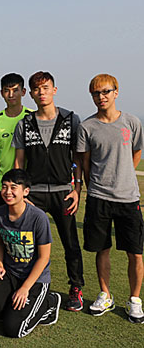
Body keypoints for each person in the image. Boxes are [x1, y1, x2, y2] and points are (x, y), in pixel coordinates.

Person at [13, 71, 85, 312]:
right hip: (33, 195)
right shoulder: (25, 123)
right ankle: (29, 286)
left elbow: (78, 157)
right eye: (36, 89)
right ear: (31, 94)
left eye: (46, 87)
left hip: (64, 192)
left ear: (54, 90)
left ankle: (76, 288)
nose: (41, 92)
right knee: (28, 245)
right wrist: (21, 193)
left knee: (70, 243)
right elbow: (18, 163)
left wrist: (77, 189)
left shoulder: (70, 119)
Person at [77, 74, 144, 323]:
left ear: (116, 92)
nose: (101, 97)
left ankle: (135, 299)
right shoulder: (87, 127)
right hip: (98, 197)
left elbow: (135, 152)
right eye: (96, 93)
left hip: (128, 198)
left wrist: (122, 176)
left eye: (105, 92)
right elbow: (84, 163)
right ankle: (105, 295)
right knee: (101, 249)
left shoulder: (132, 122)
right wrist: (93, 186)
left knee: (135, 252)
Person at [0, 169, 60, 338]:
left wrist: (25, 288)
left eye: (13, 187)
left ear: (25, 191)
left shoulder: (39, 218)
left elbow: (44, 257)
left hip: (34, 278)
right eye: (4, 187)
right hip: (10, 273)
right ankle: (16, 304)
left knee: (13, 329)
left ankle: (49, 303)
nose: (8, 192)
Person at [0, 73, 32, 204]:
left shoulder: (32, 117)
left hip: (26, 182)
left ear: (23, 92)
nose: (11, 95)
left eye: (15, 90)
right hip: (3, 183)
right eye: (7, 91)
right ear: (1, 93)